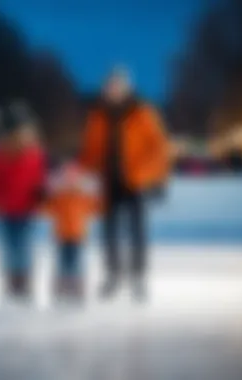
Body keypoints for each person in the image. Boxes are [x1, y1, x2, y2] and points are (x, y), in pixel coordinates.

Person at [80, 68, 170, 300]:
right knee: (108, 232)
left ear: (126, 88)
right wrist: (82, 175)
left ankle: (138, 276)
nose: (113, 90)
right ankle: (113, 275)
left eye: (118, 86)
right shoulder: (98, 115)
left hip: (136, 180)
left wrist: (157, 178)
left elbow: (158, 147)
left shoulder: (142, 112)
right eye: (110, 86)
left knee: (137, 231)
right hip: (108, 182)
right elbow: (90, 149)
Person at [0, 105, 46, 299]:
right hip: (7, 208)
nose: (22, 134)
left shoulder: (35, 153)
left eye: (25, 130)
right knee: (10, 248)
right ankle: (12, 282)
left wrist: (41, 197)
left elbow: (40, 179)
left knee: (24, 246)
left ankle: (24, 281)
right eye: (18, 129)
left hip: (26, 208)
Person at [42, 162, 99, 302]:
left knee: (76, 262)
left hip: (78, 235)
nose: (70, 183)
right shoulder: (59, 197)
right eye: (67, 180)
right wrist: (43, 198)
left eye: (73, 180)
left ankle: (77, 288)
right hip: (61, 235)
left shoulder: (82, 197)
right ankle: (62, 288)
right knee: (62, 262)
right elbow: (46, 209)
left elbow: (96, 207)